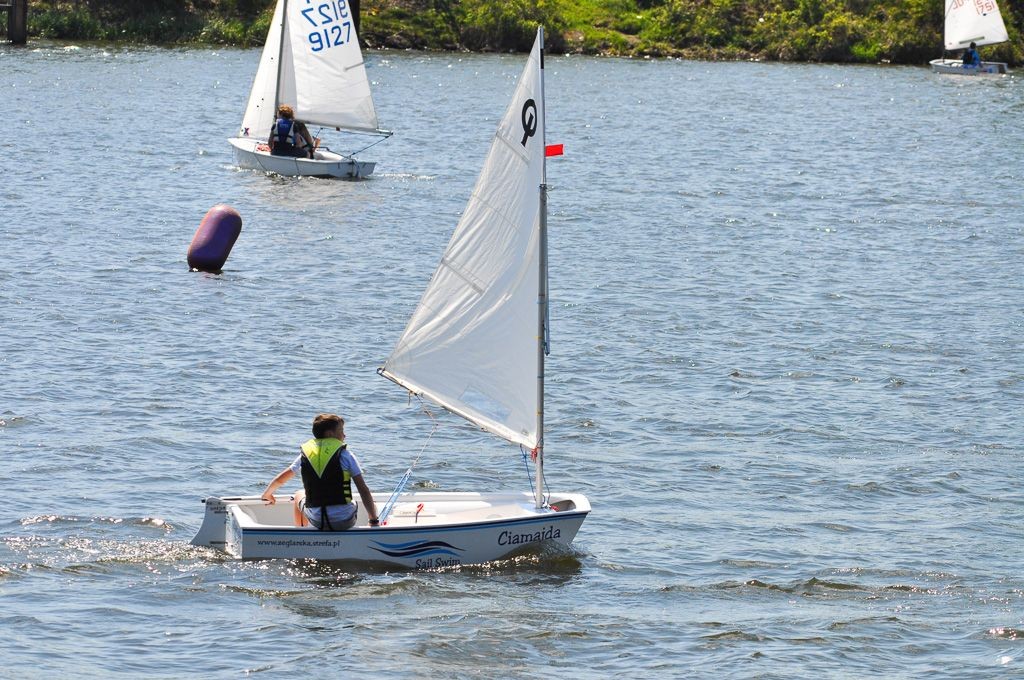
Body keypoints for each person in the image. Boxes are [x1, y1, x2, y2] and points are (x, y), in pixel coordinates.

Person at [261, 413, 379, 530]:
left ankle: (302, 533)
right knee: (364, 499)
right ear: (329, 434)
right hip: (344, 521)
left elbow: (281, 479)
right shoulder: (346, 455)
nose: (344, 435)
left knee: (299, 495)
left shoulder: (306, 455)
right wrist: (373, 520)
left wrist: (267, 494)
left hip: (317, 521)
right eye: (341, 430)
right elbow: (363, 489)